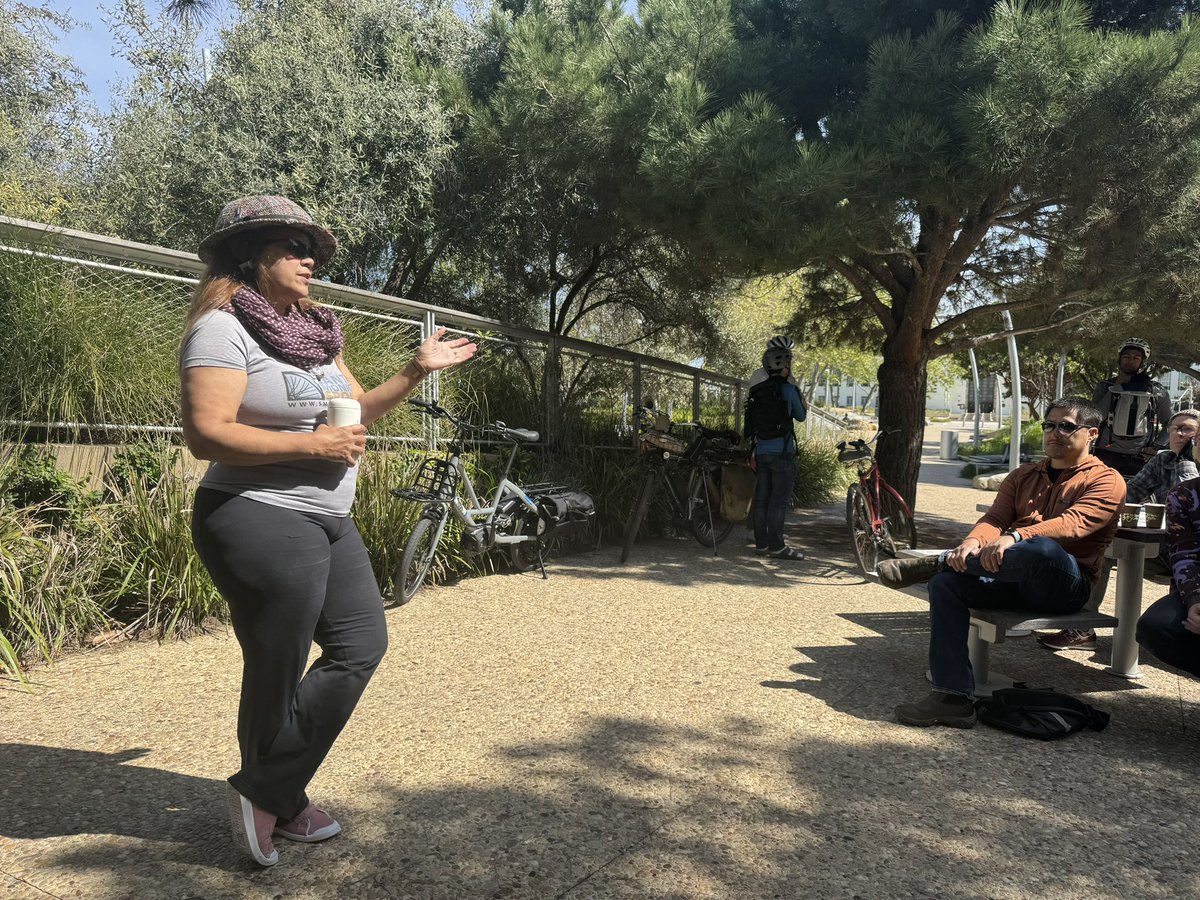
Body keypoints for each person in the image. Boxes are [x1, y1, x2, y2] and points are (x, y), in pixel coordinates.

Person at [180, 195, 476, 867]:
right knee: (277, 665)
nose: (310, 258)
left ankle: (266, 789)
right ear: (254, 256)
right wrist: (310, 451)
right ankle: (276, 800)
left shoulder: (315, 335)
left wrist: (415, 370)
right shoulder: (222, 331)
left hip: (327, 518)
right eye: (294, 246)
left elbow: (355, 412)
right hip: (255, 516)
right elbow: (206, 436)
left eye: (310, 245)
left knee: (362, 643)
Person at [875, 398, 1125, 728]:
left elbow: (1073, 523)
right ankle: (953, 697)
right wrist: (971, 542)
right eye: (1049, 425)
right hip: (1014, 578)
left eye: (1066, 426)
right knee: (947, 585)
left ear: (1091, 434)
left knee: (1043, 548)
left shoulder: (1106, 481)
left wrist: (1016, 537)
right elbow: (994, 518)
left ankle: (939, 561)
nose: (1054, 432)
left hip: (1066, 585)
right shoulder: (1024, 475)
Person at [1039, 408, 1199, 651]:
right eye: (1174, 428)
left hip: (1189, 555)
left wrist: (1185, 460)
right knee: (1100, 549)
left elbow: (1192, 503)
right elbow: (1131, 492)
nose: (1179, 434)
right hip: (1161, 547)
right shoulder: (1162, 459)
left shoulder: (1191, 467)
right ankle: (1081, 629)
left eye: (1187, 429)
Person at [743, 342, 807, 560]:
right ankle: (777, 546)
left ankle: (761, 544)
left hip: (761, 450)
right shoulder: (789, 390)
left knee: (762, 499)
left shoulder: (756, 390)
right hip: (783, 451)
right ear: (786, 365)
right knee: (778, 501)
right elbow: (801, 416)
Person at [1136, 474, 1200, 679]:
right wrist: (1194, 600)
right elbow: (1184, 554)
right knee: (1156, 627)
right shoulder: (1183, 494)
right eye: (1199, 439)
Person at [1092, 338, 1172, 478]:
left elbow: (1170, 423)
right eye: (1126, 356)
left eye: (1136, 357)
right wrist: (1116, 388)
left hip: (1140, 456)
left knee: (1135, 498)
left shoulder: (1156, 391)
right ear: (1119, 359)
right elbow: (1095, 417)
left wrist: (1156, 446)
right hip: (1105, 453)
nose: (1131, 360)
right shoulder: (1105, 386)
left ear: (1142, 362)